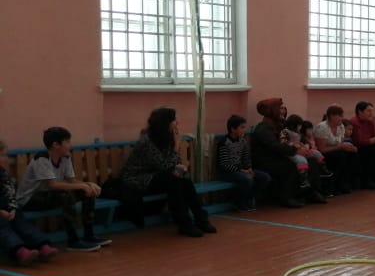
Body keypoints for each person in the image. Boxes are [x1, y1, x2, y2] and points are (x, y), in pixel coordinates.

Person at [119, 107, 218, 236]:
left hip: (157, 177)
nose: (177, 123)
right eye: (174, 120)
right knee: (175, 179)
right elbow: (165, 166)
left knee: (184, 179)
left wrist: (180, 167)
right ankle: (185, 224)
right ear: (166, 123)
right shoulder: (147, 142)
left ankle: (201, 219)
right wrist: (176, 146)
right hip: (138, 180)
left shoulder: (166, 138)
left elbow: (174, 164)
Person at [15, 126, 108, 251]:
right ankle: (73, 241)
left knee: (88, 192)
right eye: (67, 141)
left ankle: (89, 235)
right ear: (56, 145)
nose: (70, 145)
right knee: (65, 195)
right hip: (30, 199)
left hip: (50, 195)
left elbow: (72, 181)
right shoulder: (42, 158)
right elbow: (52, 184)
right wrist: (83, 185)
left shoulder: (65, 157)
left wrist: (89, 185)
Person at [252, 98, 326, 208]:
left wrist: (306, 145)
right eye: (280, 108)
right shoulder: (263, 128)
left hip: (284, 156)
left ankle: (310, 192)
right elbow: (275, 146)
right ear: (272, 110)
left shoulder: (281, 125)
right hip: (267, 160)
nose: (283, 111)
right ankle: (287, 197)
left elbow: (299, 137)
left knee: (312, 162)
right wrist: (295, 150)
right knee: (290, 167)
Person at [0, 139, 59, 265]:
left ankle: (42, 245)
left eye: (6, 155)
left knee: (22, 223)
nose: (6, 159)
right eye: (3, 155)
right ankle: (19, 251)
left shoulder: (3, 174)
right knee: (3, 228)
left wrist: (12, 208)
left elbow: (11, 193)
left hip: (8, 209)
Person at [216, 114, 271, 211]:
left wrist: (248, 168)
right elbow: (224, 164)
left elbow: (246, 158)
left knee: (265, 177)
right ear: (233, 129)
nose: (244, 130)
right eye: (242, 127)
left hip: (242, 170)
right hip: (228, 172)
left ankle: (249, 198)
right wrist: (241, 170)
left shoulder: (243, 141)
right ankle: (239, 202)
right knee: (247, 179)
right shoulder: (224, 143)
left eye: (244, 127)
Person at [313, 104, 359, 195]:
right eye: (340, 116)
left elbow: (340, 143)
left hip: (336, 150)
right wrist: (341, 147)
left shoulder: (341, 127)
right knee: (340, 156)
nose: (342, 118)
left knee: (353, 154)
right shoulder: (322, 127)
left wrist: (349, 147)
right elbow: (322, 149)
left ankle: (345, 183)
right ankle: (333, 185)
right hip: (324, 153)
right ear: (331, 116)